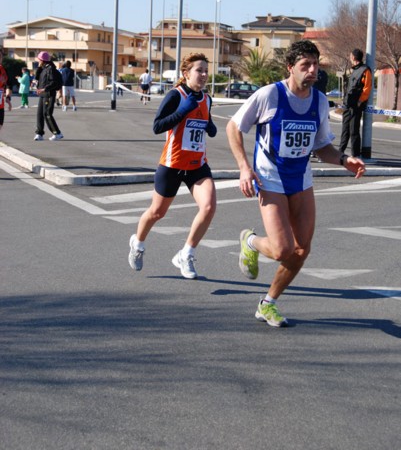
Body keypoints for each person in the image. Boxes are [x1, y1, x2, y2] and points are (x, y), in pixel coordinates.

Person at [226, 40, 366, 327]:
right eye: (306, 65)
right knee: (281, 249)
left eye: (316, 65)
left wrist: (343, 160)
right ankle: (250, 241)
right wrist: (244, 168)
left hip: (300, 180)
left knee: (302, 249)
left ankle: (268, 303)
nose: (313, 70)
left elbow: (321, 146)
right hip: (270, 178)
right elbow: (233, 126)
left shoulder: (319, 101)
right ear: (290, 67)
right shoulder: (269, 96)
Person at [128, 52, 217, 279]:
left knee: (208, 207)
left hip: (197, 165)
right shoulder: (175, 96)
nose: (204, 75)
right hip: (172, 164)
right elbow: (157, 126)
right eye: (200, 70)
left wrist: (210, 126)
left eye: (206, 70)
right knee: (157, 212)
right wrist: (182, 111)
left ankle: (186, 254)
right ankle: (137, 244)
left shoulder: (207, 99)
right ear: (186, 73)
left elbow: (207, 123)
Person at [339, 48, 372, 157]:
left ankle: (355, 155)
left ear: (353, 57)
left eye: (350, 56)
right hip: (348, 104)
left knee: (354, 131)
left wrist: (359, 101)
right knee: (345, 130)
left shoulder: (365, 70)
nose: (350, 57)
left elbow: (367, 89)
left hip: (356, 105)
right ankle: (340, 152)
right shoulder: (354, 70)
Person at [34, 51, 64, 141]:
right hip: (43, 94)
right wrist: (39, 67)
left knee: (47, 113)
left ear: (42, 60)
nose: (38, 60)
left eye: (39, 59)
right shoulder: (43, 68)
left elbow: (53, 82)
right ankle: (39, 134)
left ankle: (57, 133)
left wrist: (44, 89)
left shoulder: (50, 69)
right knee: (40, 114)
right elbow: (36, 77)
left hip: (49, 94)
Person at [0, 50, 12, 130]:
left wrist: (8, 98)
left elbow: (8, 85)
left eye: (0, 56)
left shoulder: (3, 70)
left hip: (0, 105)